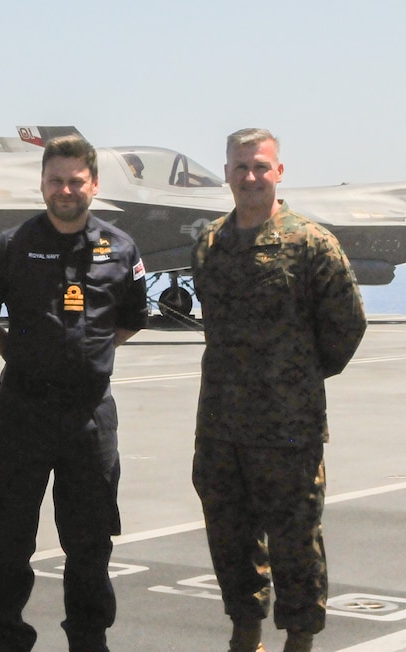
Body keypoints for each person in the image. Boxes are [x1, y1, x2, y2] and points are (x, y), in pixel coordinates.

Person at [0, 134, 148, 652]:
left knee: (90, 539)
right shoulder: (10, 246)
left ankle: (89, 639)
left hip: (89, 416)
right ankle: (5, 636)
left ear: (93, 184)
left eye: (75, 181)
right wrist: (19, 353)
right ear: (42, 184)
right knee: (8, 536)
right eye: (55, 181)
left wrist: (87, 355)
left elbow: (131, 319)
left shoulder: (121, 247)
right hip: (23, 410)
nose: (65, 190)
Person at [191, 128, 366, 652]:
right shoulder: (211, 244)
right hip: (221, 428)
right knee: (229, 537)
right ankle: (245, 630)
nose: (250, 177)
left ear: (279, 173)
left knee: (296, 543)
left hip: (288, 430)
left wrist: (298, 377)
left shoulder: (310, 242)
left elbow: (347, 326)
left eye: (261, 167)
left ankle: (299, 639)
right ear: (226, 173)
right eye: (241, 167)